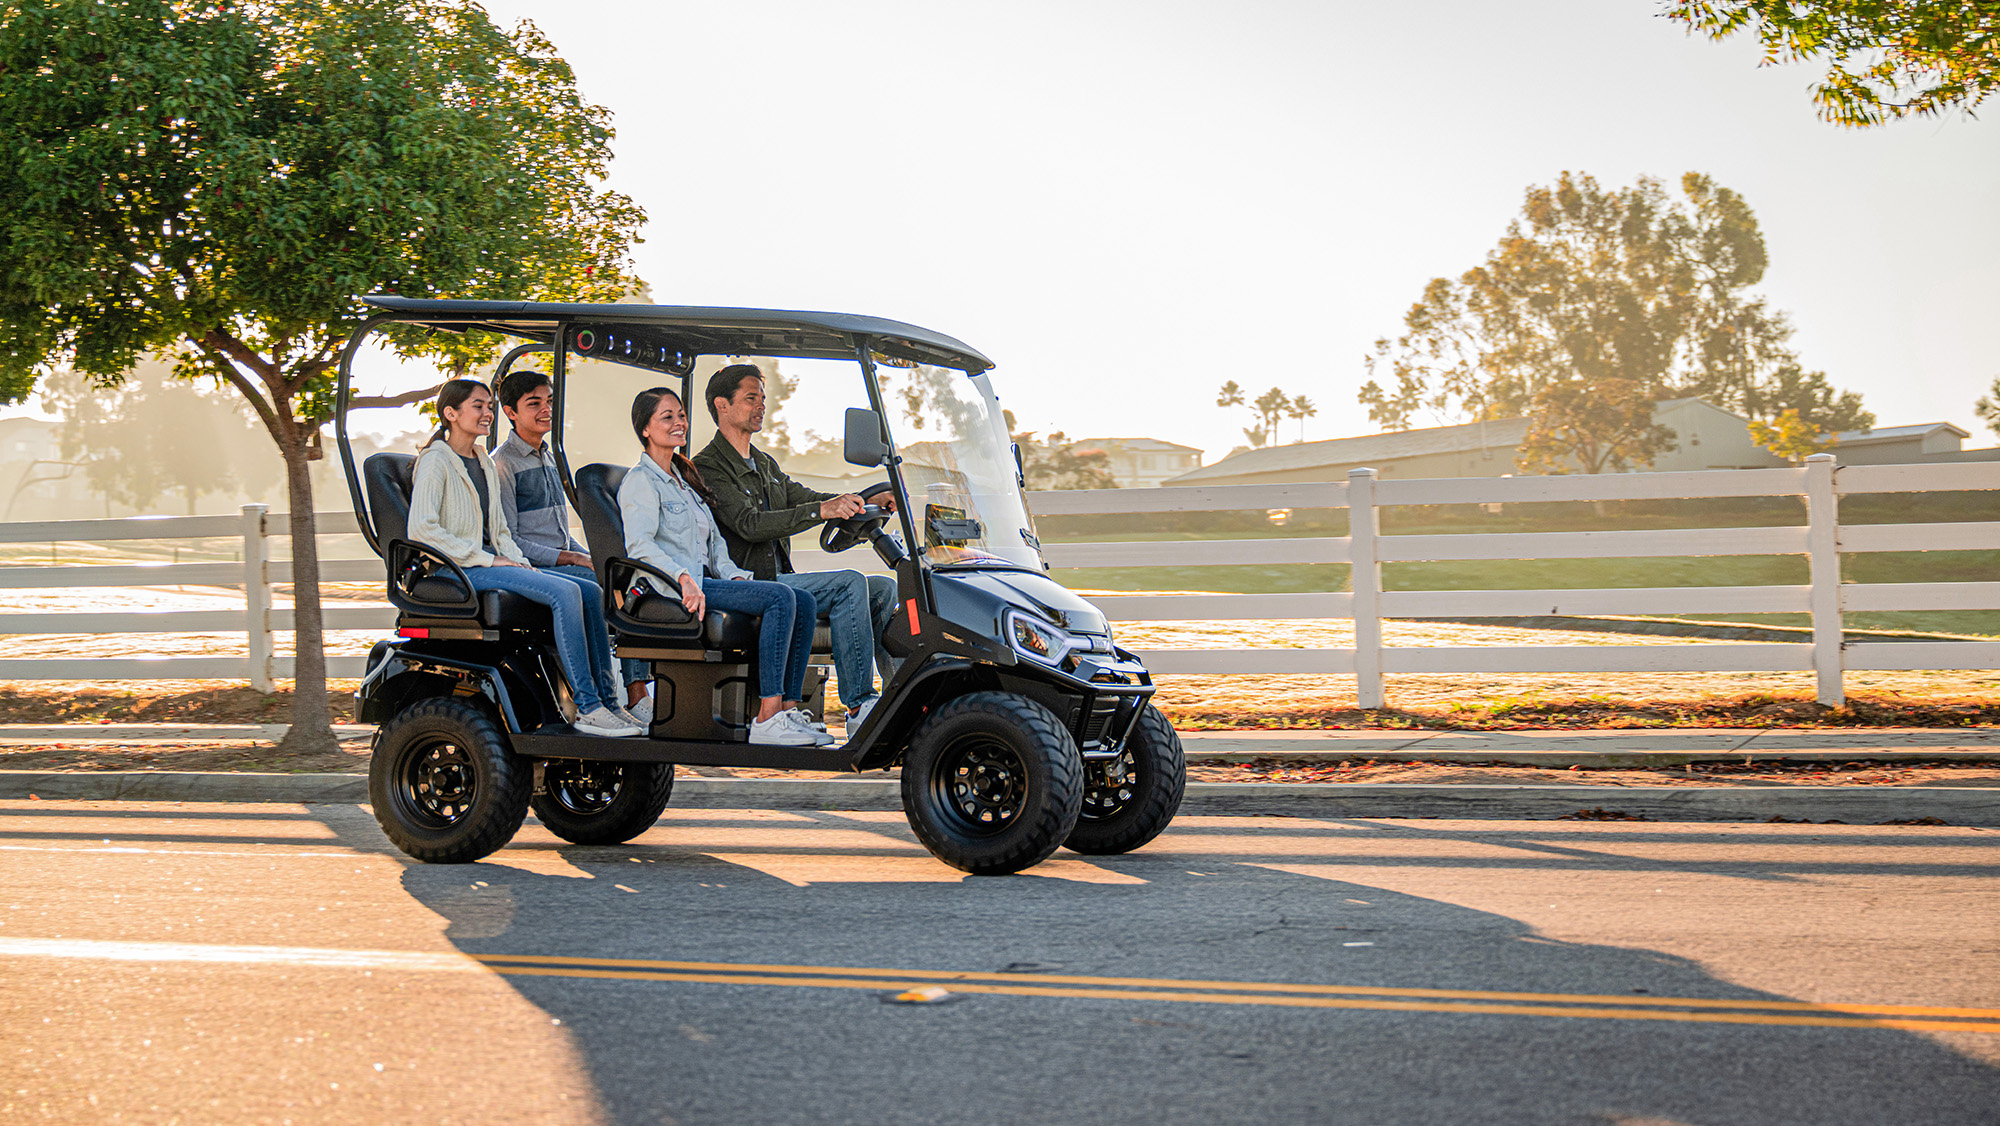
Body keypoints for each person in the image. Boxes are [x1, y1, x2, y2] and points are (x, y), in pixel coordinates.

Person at [407, 379, 640, 738]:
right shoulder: (436, 460)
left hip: (486, 564)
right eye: (478, 407)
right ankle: (589, 707)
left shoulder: (481, 460)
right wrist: (489, 560)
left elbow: (500, 533)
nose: (487, 413)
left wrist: (519, 562)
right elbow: (422, 529)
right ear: (450, 414)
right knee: (564, 594)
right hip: (457, 569)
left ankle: (609, 702)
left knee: (591, 592)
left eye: (488, 406)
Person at [619, 386, 830, 747]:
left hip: (706, 580)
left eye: (681, 415)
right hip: (672, 587)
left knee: (802, 600)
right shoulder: (640, 481)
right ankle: (768, 715)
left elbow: (715, 543)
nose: (678, 422)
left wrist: (732, 573)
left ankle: (788, 709)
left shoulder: (684, 481)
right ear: (645, 429)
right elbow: (640, 546)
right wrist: (683, 578)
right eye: (666, 417)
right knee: (780, 598)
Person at [691, 364, 897, 730]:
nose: (760, 406)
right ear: (722, 405)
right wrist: (822, 510)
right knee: (849, 582)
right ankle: (858, 706)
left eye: (763, 399)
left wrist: (860, 501)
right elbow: (749, 524)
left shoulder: (765, 463)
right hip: (753, 584)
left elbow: (804, 497)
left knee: (883, 588)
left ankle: (895, 697)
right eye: (751, 398)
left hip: (783, 579)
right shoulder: (708, 467)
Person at [493, 368, 653, 722]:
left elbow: (562, 531)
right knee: (597, 590)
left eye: (548, 401)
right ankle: (601, 701)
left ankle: (625, 697)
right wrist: (575, 559)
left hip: (561, 559)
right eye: (533, 403)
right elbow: (511, 541)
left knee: (624, 578)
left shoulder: (548, 456)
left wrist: (591, 555)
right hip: (537, 566)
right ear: (510, 411)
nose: (545, 409)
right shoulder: (503, 464)